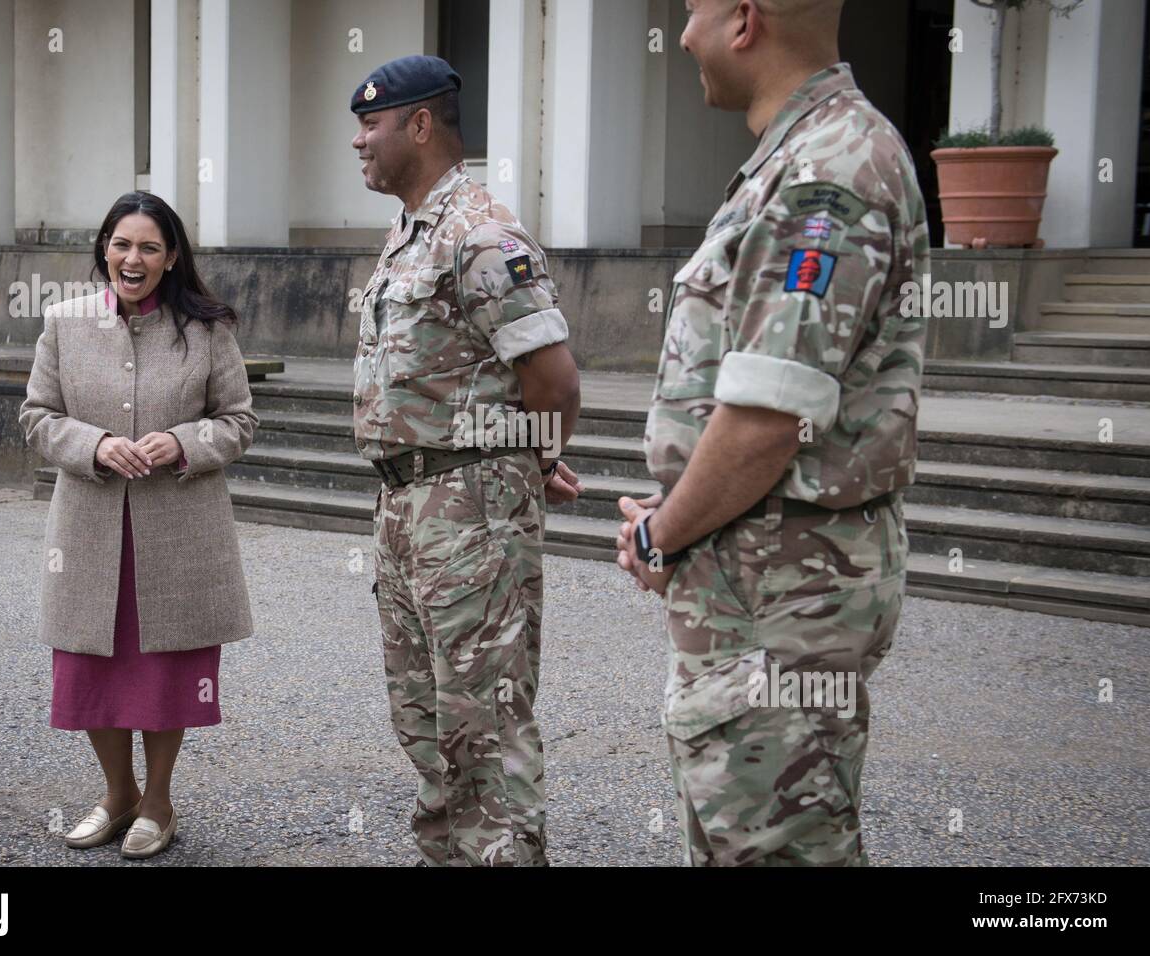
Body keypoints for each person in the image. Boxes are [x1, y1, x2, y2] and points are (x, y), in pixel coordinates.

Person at [615, 0, 930, 866]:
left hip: (781, 591)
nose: (682, 36)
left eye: (692, 13)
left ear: (744, 21)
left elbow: (766, 418)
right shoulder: (803, 156)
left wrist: (659, 532)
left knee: (776, 846)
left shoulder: (825, 173)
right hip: (760, 570)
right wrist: (682, 507)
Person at [350, 55, 583, 866]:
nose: (358, 142)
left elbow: (552, 380)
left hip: (469, 511)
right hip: (408, 507)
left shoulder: (482, 235)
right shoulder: (411, 231)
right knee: (423, 715)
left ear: (420, 123)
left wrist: (526, 466)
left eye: (371, 124)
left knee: (484, 721)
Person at [18, 191, 259, 859]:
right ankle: (117, 793)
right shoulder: (64, 323)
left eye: (150, 247)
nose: (134, 258)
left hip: (178, 533)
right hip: (89, 534)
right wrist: (92, 445)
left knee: (164, 673)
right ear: (104, 249)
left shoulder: (208, 330)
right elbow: (38, 416)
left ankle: (159, 802)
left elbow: (238, 421)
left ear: (171, 256)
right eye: (122, 244)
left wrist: (183, 441)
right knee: (92, 669)